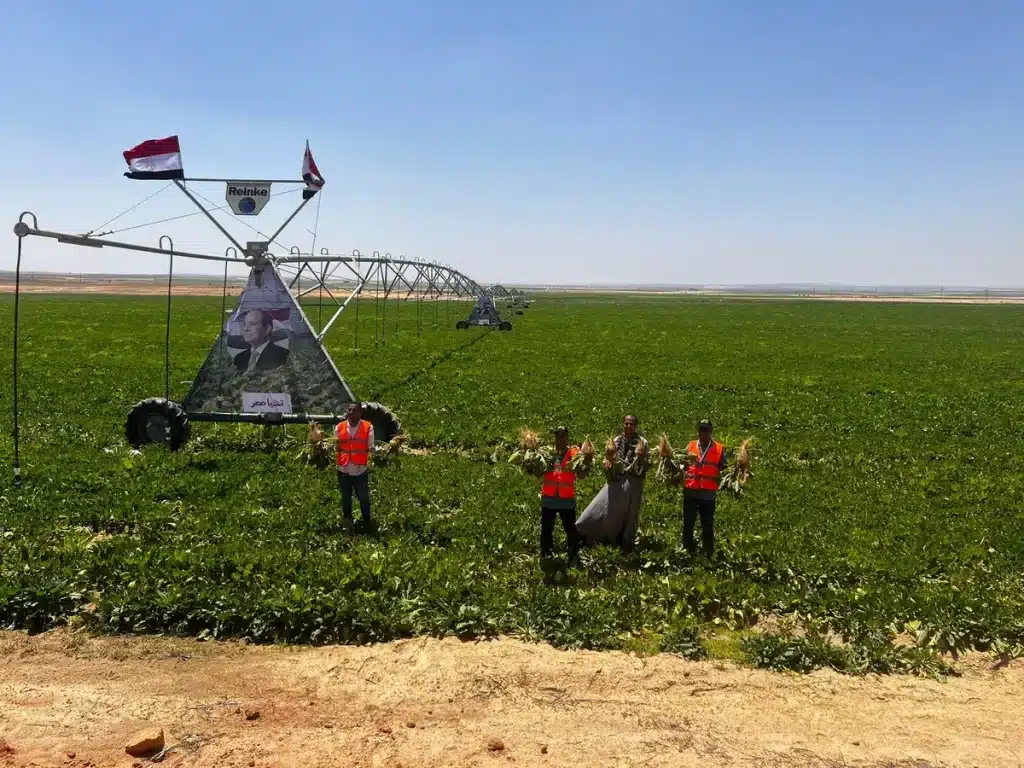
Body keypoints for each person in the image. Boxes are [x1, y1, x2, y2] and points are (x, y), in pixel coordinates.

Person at [575, 414, 650, 554]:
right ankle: (589, 533)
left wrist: (641, 457)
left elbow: (648, 464)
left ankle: (626, 544)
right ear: (623, 424)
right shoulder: (616, 441)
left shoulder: (643, 443)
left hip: (634, 482)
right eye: (626, 423)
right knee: (606, 507)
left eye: (631, 424)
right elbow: (606, 461)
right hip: (616, 479)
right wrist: (609, 461)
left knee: (630, 513)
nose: (628, 426)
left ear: (636, 426)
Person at [681, 418, 727, 557]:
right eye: (701, 429)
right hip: (691, 490)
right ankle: (686, 548)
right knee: (688, 523)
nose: (704, 433)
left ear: (711, 431)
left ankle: (708, 551)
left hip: (708, 493)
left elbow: (724, 468)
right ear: (698, 431)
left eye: (706, 430)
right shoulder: (690, 445)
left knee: (707, 524)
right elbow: (682, 464)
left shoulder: (719, 448)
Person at [539, 426, 584, 561]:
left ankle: (573, 551)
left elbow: (581, 473)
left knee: (570, 527)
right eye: (557, 436)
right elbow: (537, 471)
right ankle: (546, 551)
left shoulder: (574, 453)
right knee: (547, 527)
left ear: (567, 438)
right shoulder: (546, 452)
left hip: (566, 497)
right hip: (549, 496)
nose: (560, 439)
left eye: (563, 436)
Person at [336, 402, 374, 531]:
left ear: (360, 413)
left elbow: (371, 447)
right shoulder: (339, 427)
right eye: (349, 410)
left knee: (363, 497)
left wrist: (379, 451)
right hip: (343, 469)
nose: (351, 413)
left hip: (360, 470)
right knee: (345, 498)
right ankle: (348, 522)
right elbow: (334, 445)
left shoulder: (368, 427)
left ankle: (367, 520)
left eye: (355, 410)